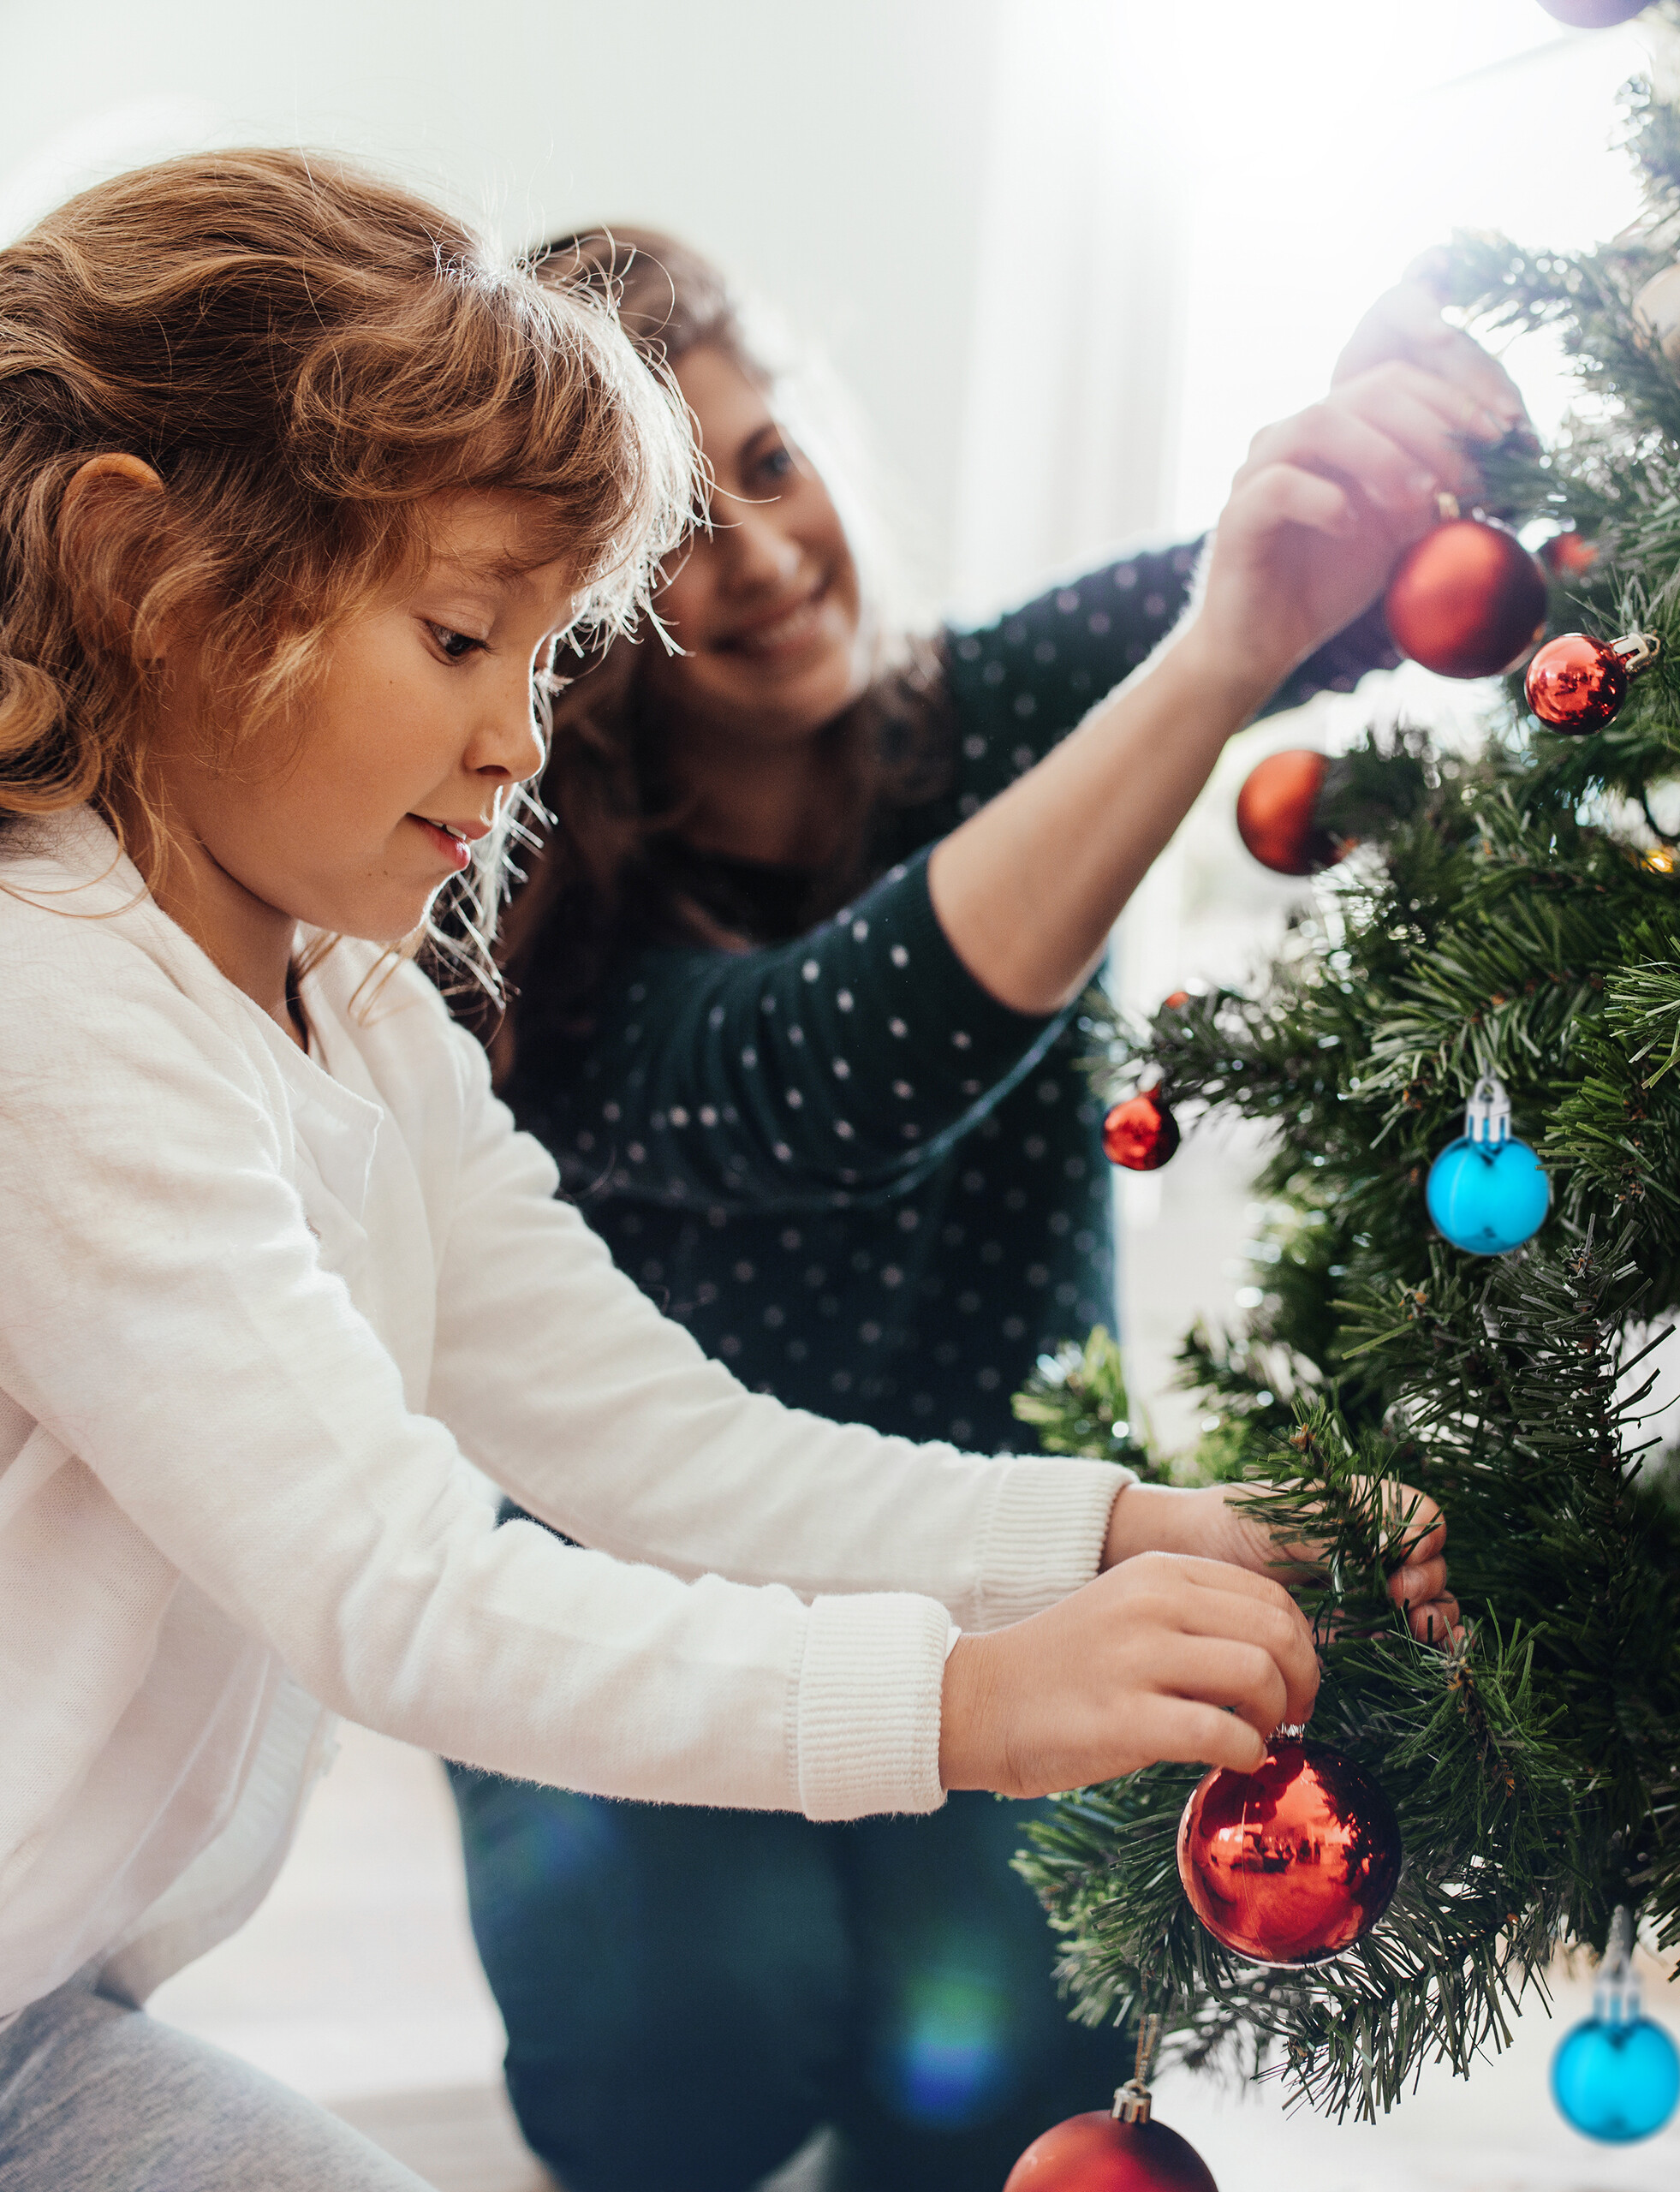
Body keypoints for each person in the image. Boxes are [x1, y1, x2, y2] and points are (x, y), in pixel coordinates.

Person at [0, 151, 1457, 2192]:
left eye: (544, 658)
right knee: (679, 2018)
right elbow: (396, 1588)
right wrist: (964, 1701)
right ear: (150, 577)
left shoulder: (348, 987)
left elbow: (651, 1438)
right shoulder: (55, 1009)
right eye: (459, 635)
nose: (516, 739)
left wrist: (1126, 1526)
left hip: (44, 1994)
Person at [449, 229, 1525, 2189]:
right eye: (669, 530)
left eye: (766, 465)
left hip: (1015, 1548)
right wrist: (1211, 654)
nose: (761, 557)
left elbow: (1343, 593)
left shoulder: (995, 695)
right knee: (683, 2056)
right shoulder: (531, 927)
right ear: (559, 617)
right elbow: (822, 1077)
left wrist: (1391, 448)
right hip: (648, 1593)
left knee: (995, 2073)